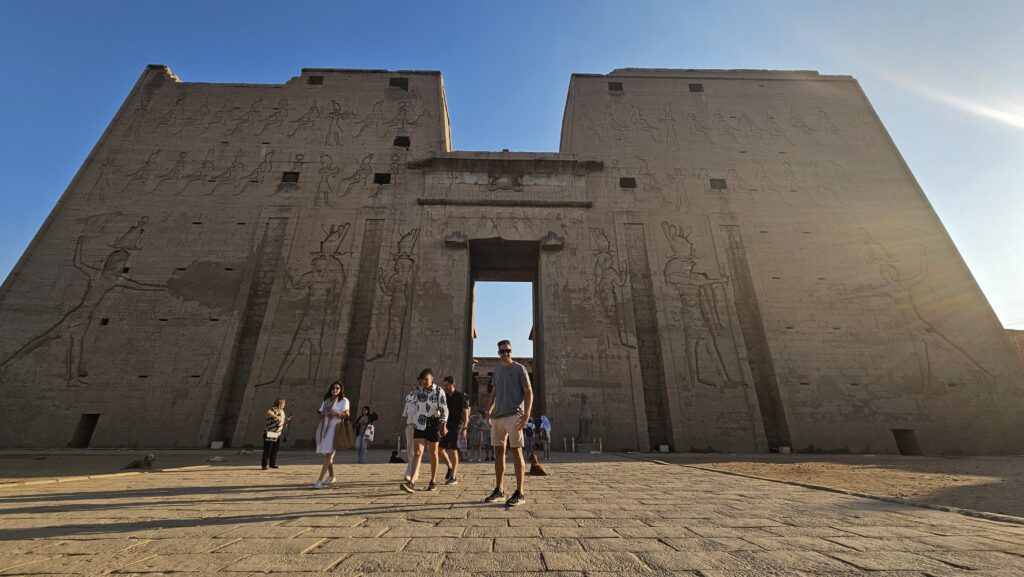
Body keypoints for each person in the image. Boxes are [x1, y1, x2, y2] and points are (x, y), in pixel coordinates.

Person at [483, 340, 533, 507]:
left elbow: (528, 392)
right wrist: (488, 410)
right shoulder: (497, 370)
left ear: (512, 351)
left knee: (516, 452)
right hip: (498, 416)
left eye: (507, 351)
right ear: (498, 353)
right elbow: (494, 392)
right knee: (498, 452)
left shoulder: (519, 368)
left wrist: (526, 415)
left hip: (514, 415)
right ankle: (499, 490)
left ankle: (520, 492)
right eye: (502, 351)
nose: (505, 353)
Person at [400, 368, 448, 493]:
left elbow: (444, 409)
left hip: (434, 422)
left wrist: (443, 423)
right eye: (423, 380)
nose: (425, 382)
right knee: (417, 451)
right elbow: (408, 399)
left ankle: (432, 481)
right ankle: (411, 482)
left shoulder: (439, 391)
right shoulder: (419, 390)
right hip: (420, 422)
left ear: (432, 379)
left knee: (433, 452)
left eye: (427, 379)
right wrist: (414, 391)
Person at [313, 381, 350, 489]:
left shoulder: (343, 401)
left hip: (336, 430)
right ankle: (332, 476)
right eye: (333, 388)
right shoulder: (327, 400)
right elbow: (320, 412)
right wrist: (323, 413)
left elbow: (347, 414)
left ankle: (319, 480)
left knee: (328, 455)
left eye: (337, 388)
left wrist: (337, 413)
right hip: (325, 429)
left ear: (340, 390)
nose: (335, 390)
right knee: (327, 455)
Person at [438, 376, 469, 484]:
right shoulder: (444, 397)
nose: (445, 387)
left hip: (457, 426)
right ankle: (450, 467)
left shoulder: (461, 396)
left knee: (453, 450)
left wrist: (465, 427)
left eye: (447, 385)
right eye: (444, 385)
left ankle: (454, 477)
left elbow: (466, 413)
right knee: (440, 450)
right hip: (446, 426)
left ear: (453, 384)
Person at [399, 380, 420, 482]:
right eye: (414, 387)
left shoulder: (422, 401)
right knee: (409, 447)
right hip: (410, 425)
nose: (415, 389)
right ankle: (410, 468)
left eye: (417, 387)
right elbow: (404, 415)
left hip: (419, 426)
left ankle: (413, 471)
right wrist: (401, 427)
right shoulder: (409, 401)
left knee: (416, 449)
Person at [262, 398, 290, 470]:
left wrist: (286, 420)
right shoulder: (275, 409)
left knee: (275, 449)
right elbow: (269, 412)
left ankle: (272, 464)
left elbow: (281, 421)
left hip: (277, 433)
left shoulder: (282, 411)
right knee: (268, 449)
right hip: (271, 432)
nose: (284, 405)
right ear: (280, 403)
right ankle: (264, 464)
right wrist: (276, 417)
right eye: (283, 403)